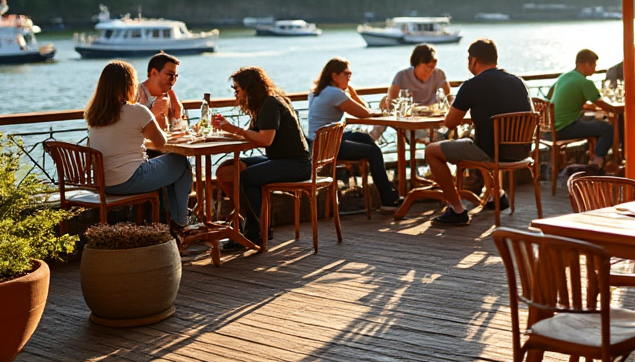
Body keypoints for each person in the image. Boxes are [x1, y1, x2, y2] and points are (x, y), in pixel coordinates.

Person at [422, 38, 534, 227]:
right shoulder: (518, 82)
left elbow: (450, 123)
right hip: (521, 152)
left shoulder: (472, 85)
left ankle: (457, 210)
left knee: (431, 151)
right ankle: (496, 194)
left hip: (490, 154)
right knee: (477, 139)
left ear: (473, 60)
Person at [84, 60, 191, 232]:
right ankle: (181, 223)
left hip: (103, 184)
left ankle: (173, 221)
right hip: (130, 180)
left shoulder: (94, 115)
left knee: (169, 167)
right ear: (129, 85)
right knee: (181, 162)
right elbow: (161, 142)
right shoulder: (137, 111)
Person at [212, 67, 311, 243]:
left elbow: (266, 140)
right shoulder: (263, 105)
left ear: (249, 89)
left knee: (246, 178)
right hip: (279, 159)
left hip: (296, 164)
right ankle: (251, 222)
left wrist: (234, 129)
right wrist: (226, 131)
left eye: (237, 90)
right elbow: (252, 137)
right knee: (226, 171)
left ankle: (254, 233)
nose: (235, 95)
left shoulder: (270, 104)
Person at [306, 58, 404, 212]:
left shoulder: (319, 91)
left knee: (363, 137)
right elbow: (364, 113)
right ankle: (388, 200)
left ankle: (375, 182)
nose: (349, 77)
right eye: (346, 74)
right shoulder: (334, 93)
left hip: (319, 142)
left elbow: (363, 111)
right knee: (374, 152)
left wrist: (351, 93)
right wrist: (379, 112)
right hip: (327, 146)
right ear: (334, 76)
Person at [549, 49, 619, 170]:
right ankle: (597, 163)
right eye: (594, 66)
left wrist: (595, 109)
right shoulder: (584, 82)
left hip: (550, 128)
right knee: (608, 128)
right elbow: (604, 105)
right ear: (586, 64)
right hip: (564, 128)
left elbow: (571, 102)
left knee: (596, 120)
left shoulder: (564, 77)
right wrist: (618, 107)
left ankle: (592, 156)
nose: (595, 70)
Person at [136, 52, 182, 131]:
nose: (173, 80)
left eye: (175, 76)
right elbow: (128, 131)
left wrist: (177, 113)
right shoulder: (134, 95)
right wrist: (152, 114)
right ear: (153, 73)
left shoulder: (169, 96)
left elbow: (177, 130)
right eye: (170, 75)